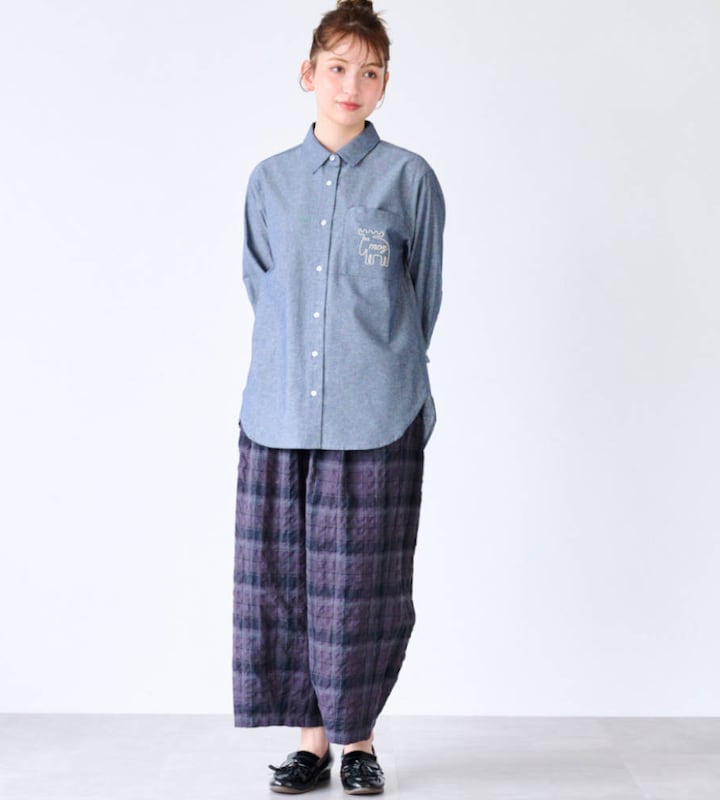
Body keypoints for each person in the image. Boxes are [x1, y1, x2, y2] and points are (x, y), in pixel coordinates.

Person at [232, 0, 445, 793]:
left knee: (361, 589)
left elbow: (422, 299)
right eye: (337, 67)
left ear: (385, 84)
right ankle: (311, 745)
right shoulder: (269, 182)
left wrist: (387, 376)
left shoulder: (408, 179)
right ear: (308, 73)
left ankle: (359, 744)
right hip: (279, 412)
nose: (351, 84)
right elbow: (264, 292)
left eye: (370, 72)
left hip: (377, 414)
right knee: (286, 583)